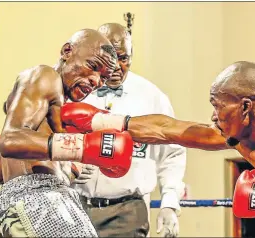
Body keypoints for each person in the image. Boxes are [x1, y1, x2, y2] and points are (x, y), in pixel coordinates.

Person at [61, 61, 255, 228]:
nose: (213, 115)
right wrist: (100, 121)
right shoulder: (237, 139)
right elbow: (168, 130)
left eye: (218, 105)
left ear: (245, 106)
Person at [0, 29, 134, 237]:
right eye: (93, 66)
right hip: (37, 201)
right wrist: (82, 148)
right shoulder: (45, 76)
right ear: (67, 51)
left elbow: (6, 162)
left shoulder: (57, 107)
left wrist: (72, 169)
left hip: (51, 200)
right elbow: (10, 140)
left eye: (103, 78)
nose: (96, 81)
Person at [70, 23, 186, 238]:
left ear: (132, 56)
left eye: (123, 58)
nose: (116, 66)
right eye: (111, 58)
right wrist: (68, 163)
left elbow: (172, 154)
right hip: (76, 204)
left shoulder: (152, 97)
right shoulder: (77, 90)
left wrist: (170, 204)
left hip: (127, 210)